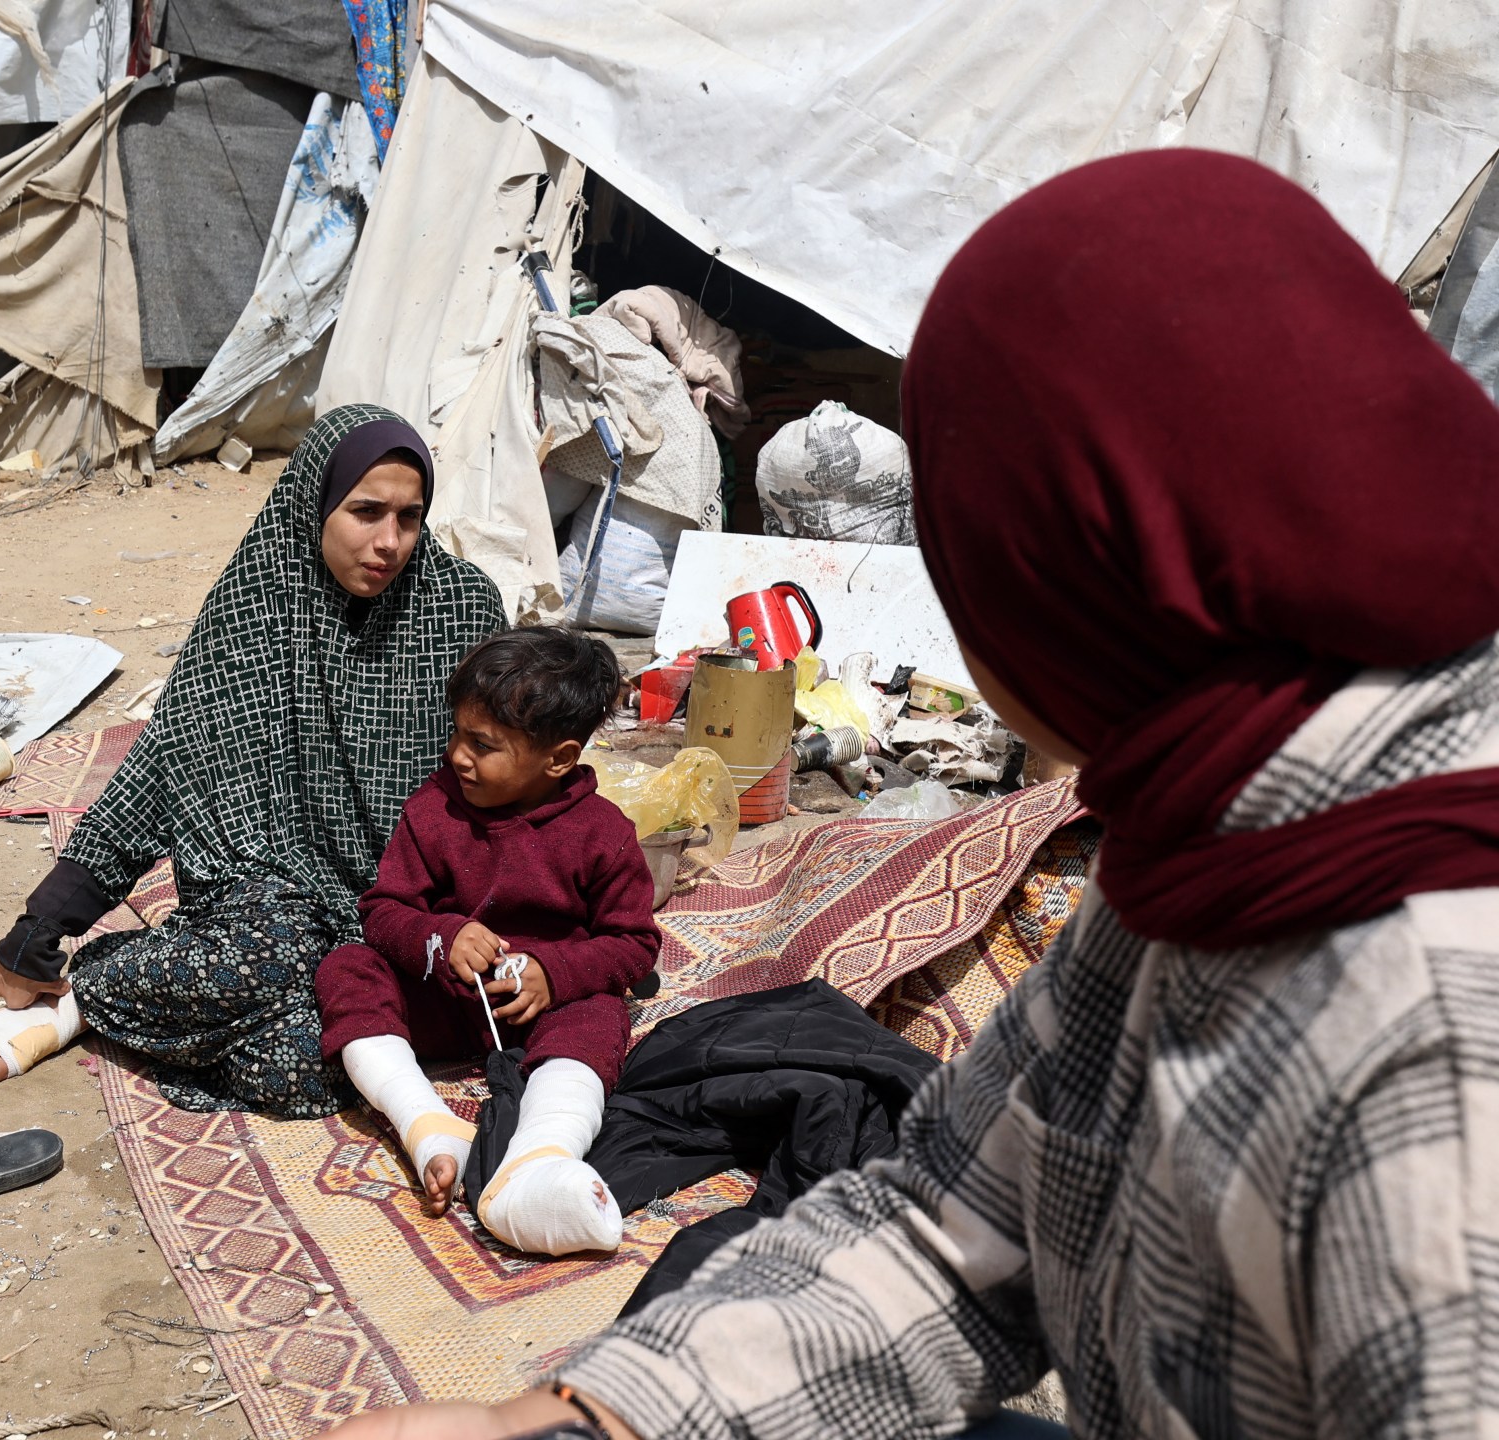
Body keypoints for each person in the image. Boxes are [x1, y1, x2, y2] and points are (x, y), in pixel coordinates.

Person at [323, 152, 1499, 1439]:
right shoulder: (1224, 845)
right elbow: (954, 1225)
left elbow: (627, 952)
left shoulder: (1432, 1046)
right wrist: (579, 1417)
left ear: (1053, 577)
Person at [0, 404, 506, 1114]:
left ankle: (92, 1002)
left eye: (409, 517)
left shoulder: (462, 607)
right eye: (366, 512)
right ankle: (88, 994)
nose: (389, 542)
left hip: (409, 905)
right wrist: (41, 927)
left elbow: (512, 759)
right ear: (314, 506)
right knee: (275, 971)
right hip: (268, 900)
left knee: (306, 1066)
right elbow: (162, 773)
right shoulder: (255, 609)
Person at [316, 628, 660, 1256]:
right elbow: (383, 910)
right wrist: (441, 937)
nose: (457, 756)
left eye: (483, 745)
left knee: (601, 1012)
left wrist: (554, 973)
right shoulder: (434, 810)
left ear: (559, 759)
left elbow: (634, 945)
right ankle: (428, 1127)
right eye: (457, 734)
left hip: (543, 1012)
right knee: (349, 966)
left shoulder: (602, 833)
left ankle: (540, 1158)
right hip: (449, 1001)